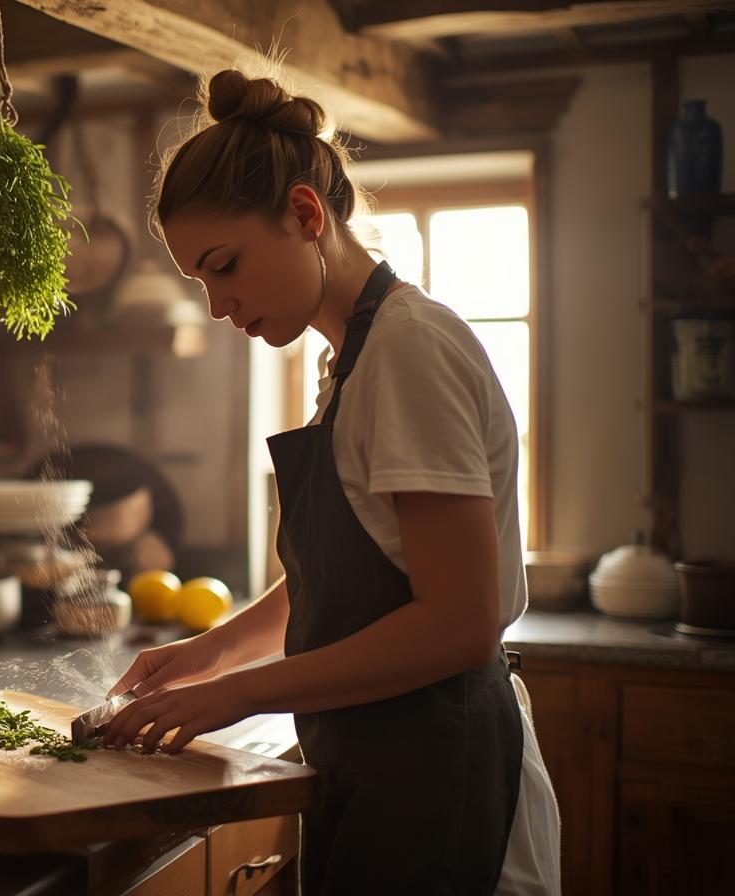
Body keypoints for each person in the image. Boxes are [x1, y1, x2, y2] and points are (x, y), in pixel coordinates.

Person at [100, 69, 561, 895]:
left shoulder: (408, 353)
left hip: (438, 768)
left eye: (225, 266)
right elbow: (350, 580)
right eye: (201, 282)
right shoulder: (349, 362)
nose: (216, 306)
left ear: (306, 215)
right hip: (381, 760)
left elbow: (459, 621)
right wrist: (210, 656)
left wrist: (237, 696)